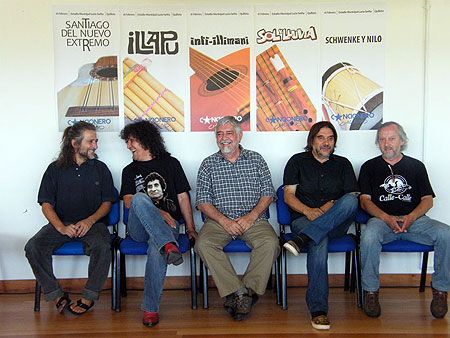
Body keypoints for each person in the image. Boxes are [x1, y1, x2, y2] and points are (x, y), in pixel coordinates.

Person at [359, 121, 449, 319]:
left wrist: (411, 217)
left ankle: (441, 291)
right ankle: (371, 292)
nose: (387, 143)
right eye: (382, 139)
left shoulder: (416, 166)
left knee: (446, 234)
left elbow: (427, 200)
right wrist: (386, 218)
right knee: (368, 235)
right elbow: (364, 201)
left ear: (401, 140)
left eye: (391, 139)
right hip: (381, 221)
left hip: (415, 221)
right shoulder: (369, 167)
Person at [25, 121, 115, 316]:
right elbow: (46, 204)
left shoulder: (101, 168)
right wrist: (60, 227)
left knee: (102, 246)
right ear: (75, 144)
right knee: (33, 247)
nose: (95, 146)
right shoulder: (54, 169)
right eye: (90, 141)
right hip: (62, 224)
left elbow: (107, 203)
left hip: (94, 224)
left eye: (96, 141)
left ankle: (88, 297)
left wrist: (89, 221)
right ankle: (57, 295)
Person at [194, 116, 279, 321]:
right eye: (219, 134)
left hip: (253, 220)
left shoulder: (256, 159)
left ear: (240, 136)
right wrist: (225, 222)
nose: (224, 138)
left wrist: (251, 217)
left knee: (271, 243)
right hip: (218, 222)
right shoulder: (208, 164)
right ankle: (240, 292)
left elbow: (268, 193)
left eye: (229, 133)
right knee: (203, 244)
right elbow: (202, 202)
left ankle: (245, 293)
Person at [282, 121, 359, 330]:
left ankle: (303, 239)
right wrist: (309, 211)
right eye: (321, 138)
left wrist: (328, 208)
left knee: (352, 201)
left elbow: (350, 196)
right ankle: (319, 310)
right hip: (303, 220)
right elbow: (288, 196)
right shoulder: (297, 162)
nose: (326, 142)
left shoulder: (343, 164)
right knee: (320, 239)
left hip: (336, 223)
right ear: (312, 140)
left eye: (330, 138)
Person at [119, 121, 196, 327]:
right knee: (139, 198)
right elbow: (128, 201)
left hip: (168, 227)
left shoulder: (171, 164)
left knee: (158, 248)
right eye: (127, 141)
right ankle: (169, 244)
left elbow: (182, 199)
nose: (128, 146)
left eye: (131, 141)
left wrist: (190, 228)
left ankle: (150, 310)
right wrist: (159, 211)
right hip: (139, 229)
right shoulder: (129, 170)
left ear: (145, 140)